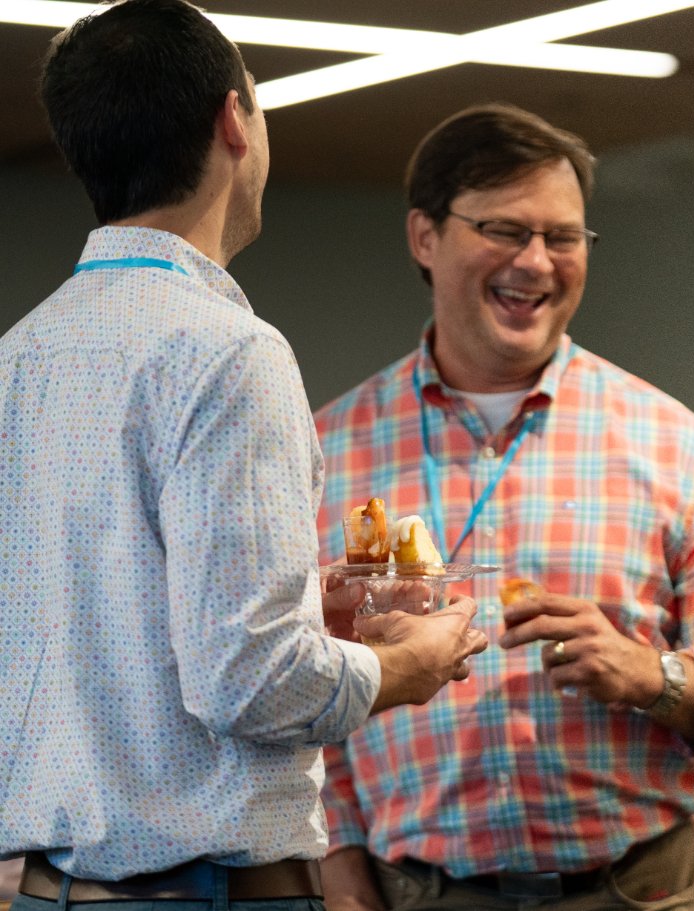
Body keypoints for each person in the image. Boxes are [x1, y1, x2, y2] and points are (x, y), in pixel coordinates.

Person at [0, 2, 487, 908]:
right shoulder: (229, 351)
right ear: (236, 121)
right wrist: (406, 665)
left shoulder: (17, 359)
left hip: (48, 890)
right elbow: (249, 680)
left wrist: (301, 602)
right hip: (209, 890)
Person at [313, 102, 694, 910]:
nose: (537, 262)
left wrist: (649, 675)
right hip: (414, 894)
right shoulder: (328, 454)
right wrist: (339, 876)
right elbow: (294, 701)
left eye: (563, 237)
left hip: (634, 888)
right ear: (424, 237)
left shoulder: (671, 443)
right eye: (506, 230)